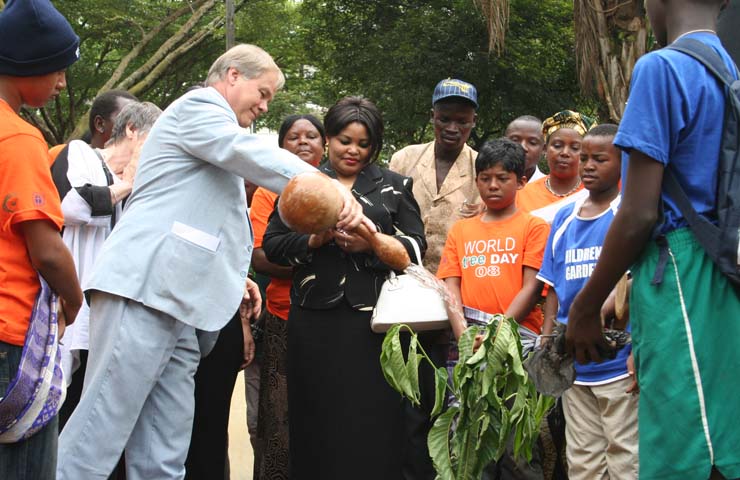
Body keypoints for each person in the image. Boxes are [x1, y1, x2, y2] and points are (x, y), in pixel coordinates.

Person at [56, 44, 367, 480]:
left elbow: (201, 217)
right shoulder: (199, 107)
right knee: (98, 434)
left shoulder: (216, 139)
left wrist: (239, 277)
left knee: (164, 451)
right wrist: (327, 186)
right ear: (234, 75)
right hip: (146, 291)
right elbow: (249, 153)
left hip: (184, 306)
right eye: (263, 93)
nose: (264, 105)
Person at [566, 2, 740, 479]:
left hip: (683, 272)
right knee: (723, 432)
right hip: (724, 269)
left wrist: (585, 305)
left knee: (685, 445)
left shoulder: (662, 67)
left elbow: (639, 212)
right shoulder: (730, 71)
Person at [263, 96, 426, 480]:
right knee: (315, 415)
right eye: (344, 140)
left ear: (375, 146)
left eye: (363, 143)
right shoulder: (302, 182)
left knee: (375, 419)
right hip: (314, 324)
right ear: (329, 139)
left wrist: (372, 242)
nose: (353, 150)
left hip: (376, 326)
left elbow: (416, 250)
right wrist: (315, 241)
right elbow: (273, 245)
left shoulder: (395, 186)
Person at [0, 0, 83, 478]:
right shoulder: (18, 138)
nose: (62, 83)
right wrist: (73, 302)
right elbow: (48, 251)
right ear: (26, 63)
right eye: (57, 69)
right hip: (12, 339)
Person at [437, 138, 550, 479]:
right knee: (472, 442)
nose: (493, 185)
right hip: (468, 348)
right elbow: (450, 287)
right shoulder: (461, 230)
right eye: (485, 178)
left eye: (502, 178)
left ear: (521, 181)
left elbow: (532, 287)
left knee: (518, 447)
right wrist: (467, 335)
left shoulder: (534, 227)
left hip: (517, 345)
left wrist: (496, 334)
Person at [388, 78, 479, 478]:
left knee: (448, 398)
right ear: (433, 117)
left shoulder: (482, 167)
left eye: (461, 120)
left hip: (458, 298)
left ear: (473, 122)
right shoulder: (404, 159)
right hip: (404, 296)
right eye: (445, 119)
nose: (452, 128)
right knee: (407, 397)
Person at [536, 124, 638, 479]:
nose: (588, 165)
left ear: (624, 163)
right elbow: (551, 289)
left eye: (600, 158)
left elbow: (635, 286)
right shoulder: (564, 218)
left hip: (620, 364)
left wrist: (640, 349)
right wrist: (547, 342)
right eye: (585, 157)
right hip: (575, 367)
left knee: (626, 456)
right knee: (583, 460)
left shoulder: (628, 214)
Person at [57, 101, 161, 430]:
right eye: (157, 139)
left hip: (111, 316)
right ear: (132, 130)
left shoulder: (144, 185)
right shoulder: (81, 154)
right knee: (59, 403)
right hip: (67, 309)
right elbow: (71, 205)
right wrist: (128, 182)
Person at [249, 114, 326, 480]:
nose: (303, 142)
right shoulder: (269, 191)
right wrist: (315, 257)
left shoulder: (337, 187)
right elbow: (261, 256)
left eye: (312, 136)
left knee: (324, 412)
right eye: (294, 137)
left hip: (331, 317)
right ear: (282, 146)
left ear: (324, 145)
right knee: (278, 418)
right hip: (282, 316)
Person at [51, 89, 138, 198]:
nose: (135, 131)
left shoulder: (135, 172)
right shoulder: (63, 155)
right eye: (128, 123)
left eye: (139, 125)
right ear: (100, 124)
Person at [518, 110, 595, 221]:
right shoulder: (521, 195)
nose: (564, 153)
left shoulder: (593, 193)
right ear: (545, 149)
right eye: (557, 145)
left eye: (575, 148)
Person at [505, 115, 546, 184]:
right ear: (504, 142)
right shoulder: (487, 184)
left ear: (544, 149)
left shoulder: (553, 190)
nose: (522, 147)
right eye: (515, 140)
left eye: (532, 143)